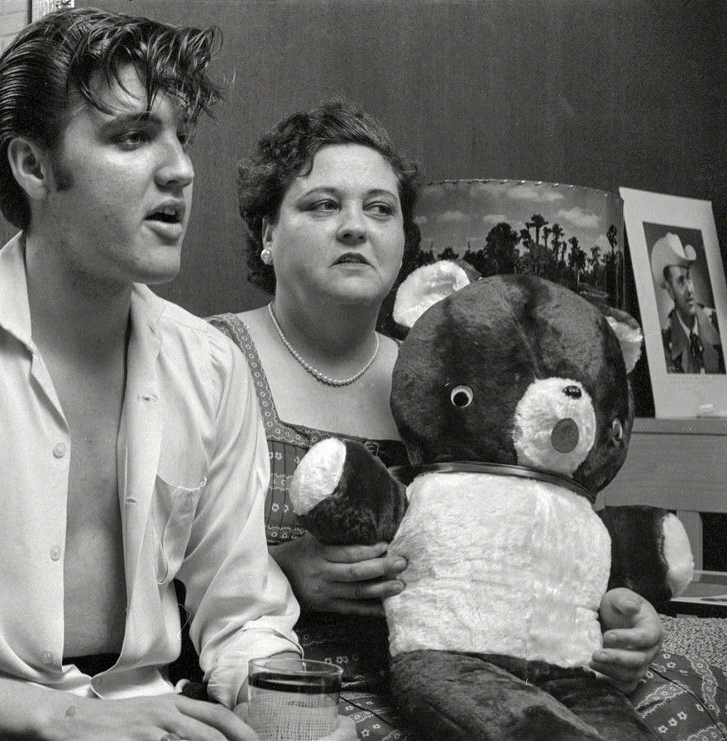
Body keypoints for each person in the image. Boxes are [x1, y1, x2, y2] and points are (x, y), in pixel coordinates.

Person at [0, 9, 357, 740]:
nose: (179, 167)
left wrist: (291, 717)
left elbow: (242, 612)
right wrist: (55, 718)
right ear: (33, 166)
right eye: (132, 136)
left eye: (181, 136)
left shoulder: (210, 369)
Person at [209, 100, 723, 739]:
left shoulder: (452, 376)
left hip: (484, 652)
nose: (354, 228)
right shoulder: (212, 360)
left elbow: (536, 536)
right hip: (301, 665)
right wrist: (283, 572)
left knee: (679, 700)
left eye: (379, 208)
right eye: (321, 205)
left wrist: (618, 613)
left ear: (403, 238)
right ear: (266, 231)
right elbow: (152, 571)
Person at [650, 231, 724, 374]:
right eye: (680, 281)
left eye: (688, 278)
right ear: (670, 290)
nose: (690, 289)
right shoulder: (664, 344)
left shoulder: (718, 323)